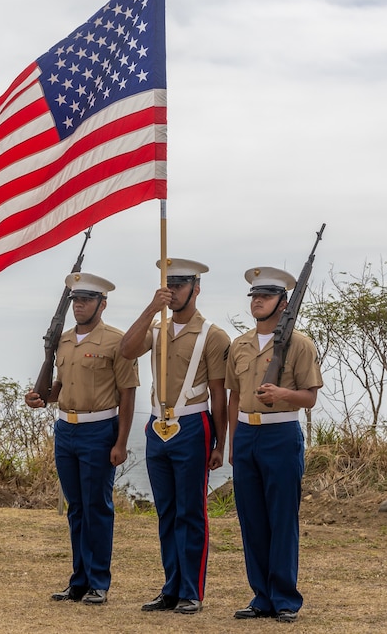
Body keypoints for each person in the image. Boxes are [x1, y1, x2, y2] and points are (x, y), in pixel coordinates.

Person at [119, 259, 230, 615]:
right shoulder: (157, 327)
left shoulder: (212, 334)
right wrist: (152, 307)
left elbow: (219, 394)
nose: (175, 291)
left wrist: (220, 443)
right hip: (156, 425)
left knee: (191, 511)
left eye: (181, 285)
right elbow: (126, 349)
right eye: (170, 284)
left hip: (193, 424)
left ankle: (192, 590)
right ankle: (171, 587)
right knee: (166, 511)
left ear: (196, 288)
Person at [24, 272, 139, 606]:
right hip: (66, 429)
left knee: (97, 508)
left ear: (102, 304)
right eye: (76, 300)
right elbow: (61, 384)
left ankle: (98, 581)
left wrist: (120, 442)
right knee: (75, 508)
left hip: (99, 429)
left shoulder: (117, 340)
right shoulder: (63, 340)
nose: (79, 306)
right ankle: (78, 580)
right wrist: (40, 395)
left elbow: (127, 393)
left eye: (87, 300)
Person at [226, 267, 323, 624]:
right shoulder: (240, 345)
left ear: (283, 303)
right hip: (247, 435)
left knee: (282, 519)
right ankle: (261, 597)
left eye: (265, 296)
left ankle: (284, 598)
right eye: (254, 296)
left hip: (281, 435)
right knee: (252, 520)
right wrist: (234, 443)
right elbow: (234, 394)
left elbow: (310, 398)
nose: (257, 302)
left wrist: (283, 394)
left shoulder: (300, 344)